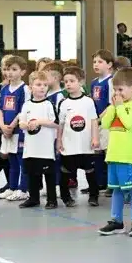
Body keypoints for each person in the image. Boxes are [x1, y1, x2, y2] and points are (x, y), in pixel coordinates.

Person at [97, 67, 132, 236]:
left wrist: (119, 107)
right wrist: (113, 107)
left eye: (121, 89)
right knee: (117, 190)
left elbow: (129, 123)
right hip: (114, 154)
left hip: (129, 155)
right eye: (115, 90)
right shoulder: (116, 106)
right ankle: (116, 221)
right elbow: (104, 124)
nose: (118, 93)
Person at [17, 72, 66, 209]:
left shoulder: (49, 104)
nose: (42, 88)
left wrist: (39, 121)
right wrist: (25, 125)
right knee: (32, 173)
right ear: (31, 87)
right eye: (38, 85)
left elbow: (56, 123)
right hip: (31, 147)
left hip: (45, 148)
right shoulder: (27, 105)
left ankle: (52, 200)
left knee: (48, 174)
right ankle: (33, 198)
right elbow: (21, 123)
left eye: (45, 85)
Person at [56, 65, 98, 205]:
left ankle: (94, 196)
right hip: (69, 145)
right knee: (66, 173)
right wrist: (59, 141)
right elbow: (61, 124)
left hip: (85, 144)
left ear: (81, 82)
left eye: (72, 81)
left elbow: (93, 121)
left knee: (90, 172)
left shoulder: (88, 101)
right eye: (66, 81)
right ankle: (66, 197)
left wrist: (95, 137)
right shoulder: (63, 103)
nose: (68, 84)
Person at [0, 56, 29, 201]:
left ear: (23, 72)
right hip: (6, 132)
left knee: (21, 160)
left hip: (19, 132)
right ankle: (12, 187)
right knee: (11, 160)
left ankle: (23, 189)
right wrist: (3, 126)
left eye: (14, 70)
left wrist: (12, 125)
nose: (10, 73)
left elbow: (24, 110)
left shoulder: (25, 89)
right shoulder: (4, 89)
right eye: (8, 69)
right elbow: (0, 109)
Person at [89, 51, 115, 198]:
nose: (96, 65)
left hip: (106, 122)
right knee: (96, 152)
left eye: (100, 62)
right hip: (96, 122)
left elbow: (111, 104)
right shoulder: (94, 82)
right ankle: (99, 182)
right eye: (94, 62)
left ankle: (111, 183)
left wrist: (100, 118)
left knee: (107, 153)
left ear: (109, 64)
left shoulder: (111, 81)